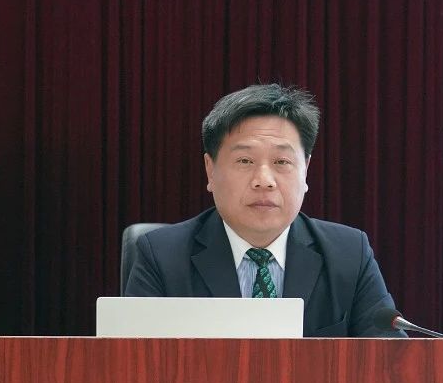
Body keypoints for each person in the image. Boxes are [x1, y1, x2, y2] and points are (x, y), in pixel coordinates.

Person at [124, 83, 405, 338]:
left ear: (305, 170)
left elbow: (390, 365)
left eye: (281, 162)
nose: (264, 180)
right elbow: (131, 364)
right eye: (245, 161)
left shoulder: (349, 254)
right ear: (210, 170)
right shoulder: (161, 257)